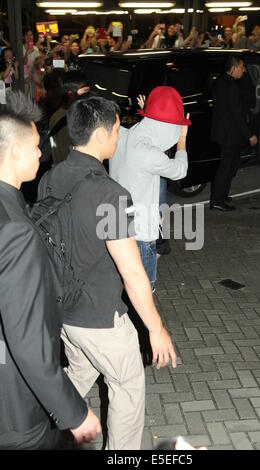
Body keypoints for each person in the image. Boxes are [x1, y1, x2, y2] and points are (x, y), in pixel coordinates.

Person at [37, 93, 177, 450]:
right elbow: (132, 273)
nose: (119, 137)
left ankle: (33, 426)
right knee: (128, 386)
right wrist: (156, 329)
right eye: (116, 130)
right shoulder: (110, 194)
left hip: (63, 309)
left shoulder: (50, 179)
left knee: (79, 373)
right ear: (99, 136)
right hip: (99, 316)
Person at [0, 91, 101, 450]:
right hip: (15, 408)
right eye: (34, 145)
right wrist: (73, 412)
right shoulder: (14, 229)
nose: (41, 153)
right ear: (14, 152)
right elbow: (27, 341)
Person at [110, 86, 190, 291]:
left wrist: (153, 112)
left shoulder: (122, 136)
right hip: (141, 234)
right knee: (143, 292)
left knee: (122, 290)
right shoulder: (150, 154)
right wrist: (182, 140)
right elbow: (180, 170)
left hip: (116, 226)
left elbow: (152, 135)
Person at [210, 56, 257, 211]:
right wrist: (249, 135)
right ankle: (217, 200)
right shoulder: (231, 86)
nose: (243, 71)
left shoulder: (220, 81)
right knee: (226, 167)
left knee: (231, 165)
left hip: (223, 131)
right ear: (234, 68)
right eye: (242, 67)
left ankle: (221, 195)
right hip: (230, 134)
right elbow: (237, 114)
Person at [49, 70, 90, 164]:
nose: (88, 96)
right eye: (85, 92)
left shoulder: (56, 115)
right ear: (71, 94)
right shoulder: (75, 120)